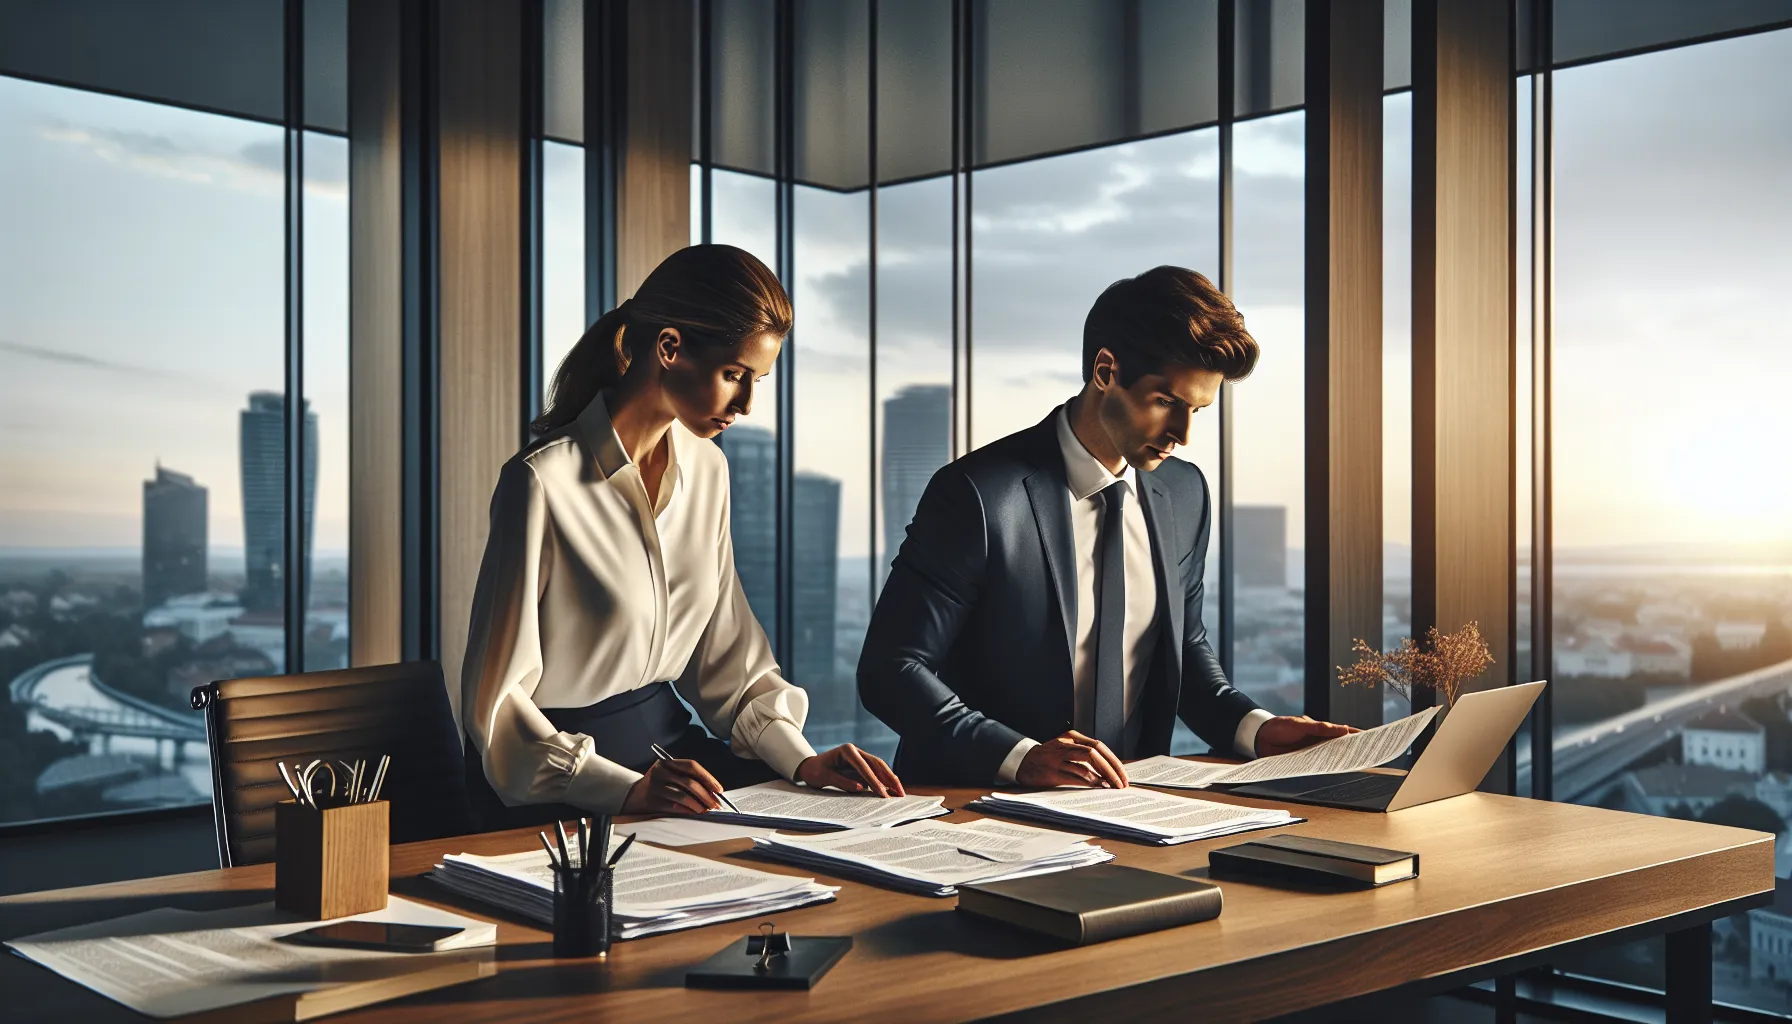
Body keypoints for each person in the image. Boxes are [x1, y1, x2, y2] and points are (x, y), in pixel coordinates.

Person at [858, 266, 1357, 788]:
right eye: (1165, 402)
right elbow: (891, 670)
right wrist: (1020, 756)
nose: (1182, 435)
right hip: (978, 806)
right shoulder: (978, 495)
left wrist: (1256, 729)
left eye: (1197, 410)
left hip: (1131, 810)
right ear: (1105, 370)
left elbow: (1182, 653)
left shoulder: (1184, 495)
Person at [462, 244, 903, 828]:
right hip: (558, 785)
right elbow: (497, 705)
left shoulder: (708, 470)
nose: (745, 404)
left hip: (674, 760)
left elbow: (727, 657)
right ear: (669, 349)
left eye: (757, 381)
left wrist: (802, 762)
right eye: (733, 375)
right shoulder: (542, 481)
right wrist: (623, 791)